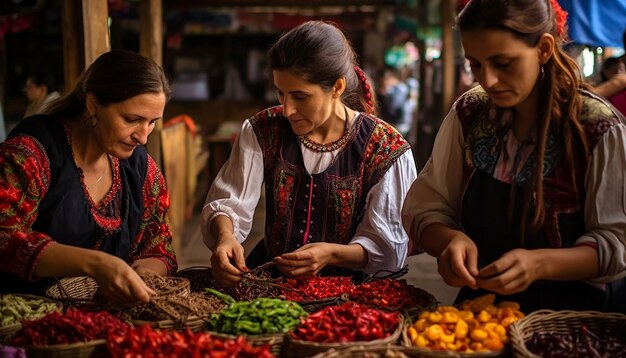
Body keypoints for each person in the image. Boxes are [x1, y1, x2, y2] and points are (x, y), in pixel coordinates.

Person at [401, 0, 626, 313]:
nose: (488, 80)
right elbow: (427, 206)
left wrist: (540, 264)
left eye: (503, 63)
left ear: (544, 48)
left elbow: (617, 242)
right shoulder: (470, 113)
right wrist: (448, 240)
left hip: (575, 318)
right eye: (475, 64)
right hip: (480, 312)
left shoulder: (597, 127)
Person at [203, 20, 417, 287]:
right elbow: (230, 200)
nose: (287, 109)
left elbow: (388, 248)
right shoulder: (263, 130)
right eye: (280, 93)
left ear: (337, 88)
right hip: (270, 283)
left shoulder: (385, 149)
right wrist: (225, 236)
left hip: (348, 292)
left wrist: (332, 254)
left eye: (300, 97)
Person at [0, 49, 177, 303]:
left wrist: (144, 272)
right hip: (24, 316)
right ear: (92, 104)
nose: (143, 136)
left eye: (152, 122)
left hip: (104, 318)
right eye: (131, 119)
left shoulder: (142, 170)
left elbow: (160, 247)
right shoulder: (32, 154)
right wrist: (96, 264)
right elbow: (5, 237)